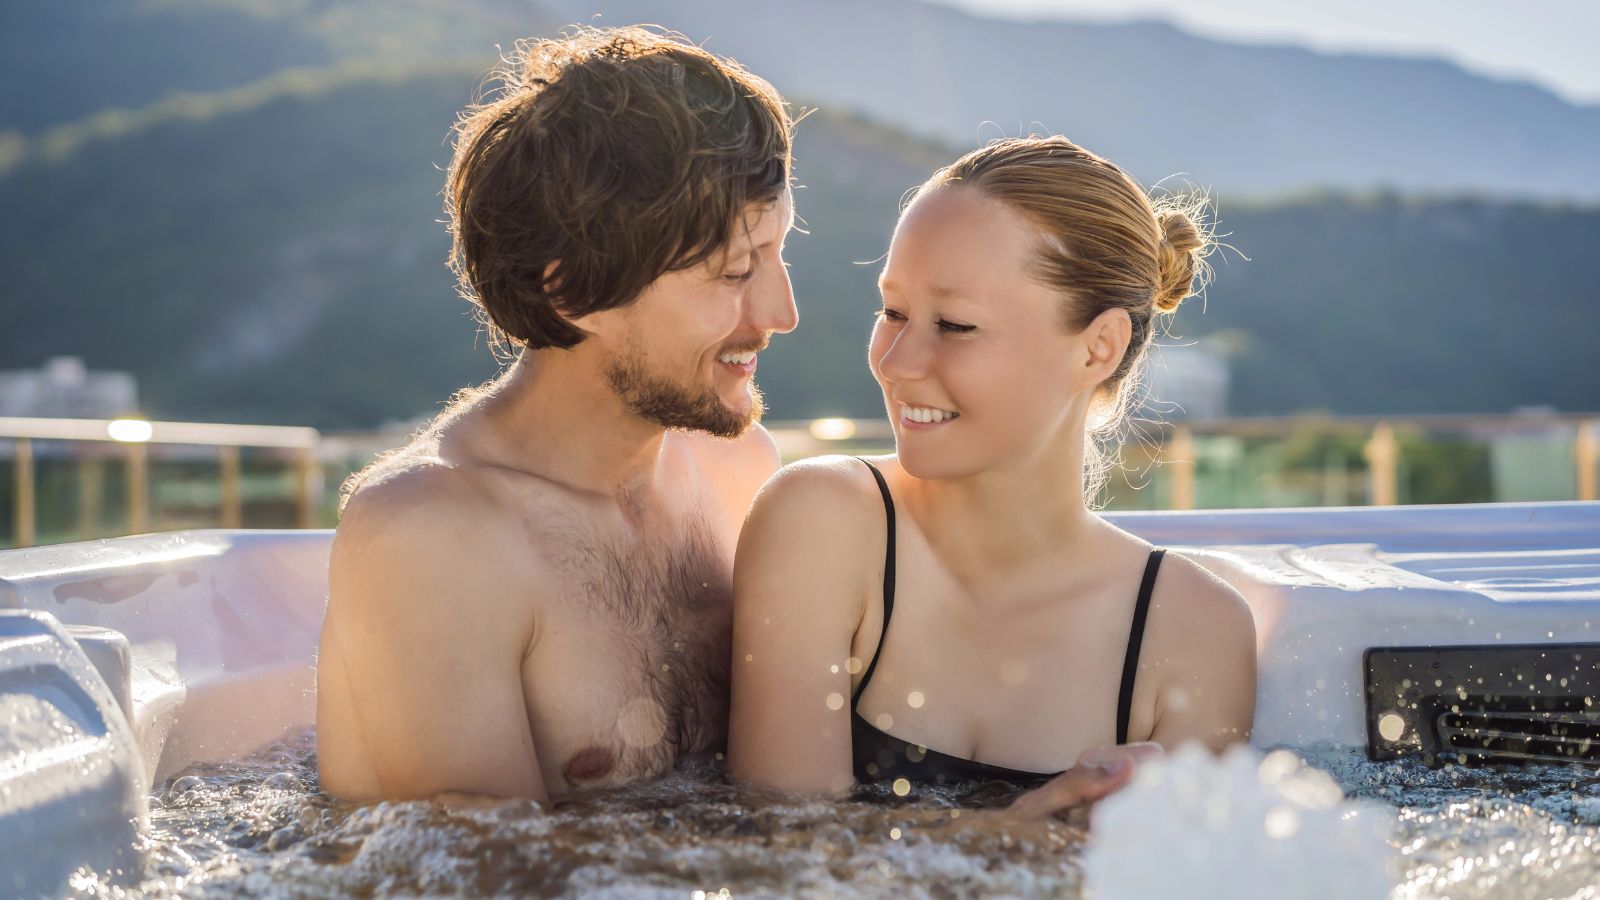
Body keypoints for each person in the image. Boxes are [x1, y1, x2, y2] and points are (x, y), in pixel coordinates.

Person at [316, 26, 798, 802]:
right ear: (574, 291)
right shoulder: (429, 537)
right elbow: (487, 878)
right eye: (736, 271)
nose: (781, 312)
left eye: (780, 252)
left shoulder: (741, 469)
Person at [727, 136, 1257, 814]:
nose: (897, 361)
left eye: (954, 324)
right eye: (892, 311)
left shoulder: (1194, 632)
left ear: (1099, 348)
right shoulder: (822, 524)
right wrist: (1014, 842)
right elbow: (776, 861)